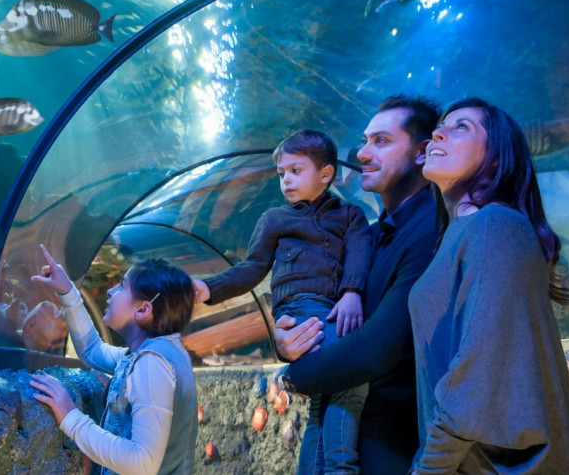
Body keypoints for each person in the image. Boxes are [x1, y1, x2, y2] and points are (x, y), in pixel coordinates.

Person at [408, 98, 569, 473]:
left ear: (495, 156)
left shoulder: (495, 224)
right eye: (441, 125)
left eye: (461, 127)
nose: (437, 132)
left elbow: (476, 371)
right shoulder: (459, 236)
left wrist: (428, 468)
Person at [272, 95, 441, 474]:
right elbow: (315, 300)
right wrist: (285, 341)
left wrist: (292, 377)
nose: (363, 153)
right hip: (344, 437)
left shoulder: (432, 230)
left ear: (422, 152)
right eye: (364, 141)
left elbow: (376, 349)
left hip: (394, 447)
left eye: (381, 142)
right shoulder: (369, 234)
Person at [192, 129, 372, 475]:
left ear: (326, 174)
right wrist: (209, 287)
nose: (286, 180)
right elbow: (252, 268)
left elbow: (360, 254)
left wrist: (352, 292)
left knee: (324, 402)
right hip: (301, 308)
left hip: (334, 308)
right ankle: (341, 468)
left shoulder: (350, 216)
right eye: (281, 174)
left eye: (295, 170)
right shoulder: (275, 219)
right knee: (352, 374)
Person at [29, 244, 198, 475]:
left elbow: (142, 463)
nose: (110, 291)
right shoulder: (156, 353)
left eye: (121, 286)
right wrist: (68, 292)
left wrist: (71, 417)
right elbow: (92, 350)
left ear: (143, 309)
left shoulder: (153, 363)